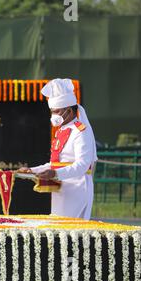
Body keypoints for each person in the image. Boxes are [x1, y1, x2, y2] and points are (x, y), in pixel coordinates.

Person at [18, 78, 98, 219]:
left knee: (73, 234)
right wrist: (32, 170)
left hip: (77, 188)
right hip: (61, 188)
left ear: (68, 110)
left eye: (56, 111)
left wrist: (55, 174)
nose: (53, 115)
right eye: (52, 111)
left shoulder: (81, 131)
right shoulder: (61, 131)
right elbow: (54, 164)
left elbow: (83, 165)